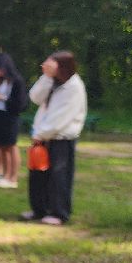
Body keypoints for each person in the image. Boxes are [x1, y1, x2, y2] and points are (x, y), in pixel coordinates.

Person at [24, 50, 88, 225]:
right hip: (43, 136)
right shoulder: (53, 81)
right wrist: (46, 77)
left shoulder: (74, 86)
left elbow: (61, 117)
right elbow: (35, 97)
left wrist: (40, 134)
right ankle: (39, 209)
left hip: (61, 138)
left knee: (58, 176)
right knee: (38, 175)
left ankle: (59, 212)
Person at [0, 52, 27, 188]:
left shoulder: (17, 81)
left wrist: (2, 98)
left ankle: (13, 177)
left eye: (0, 69)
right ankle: (5, 175)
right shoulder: (0, 80)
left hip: (10, 117)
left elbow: (21, 103)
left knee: (11, 146)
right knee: (2, 147)